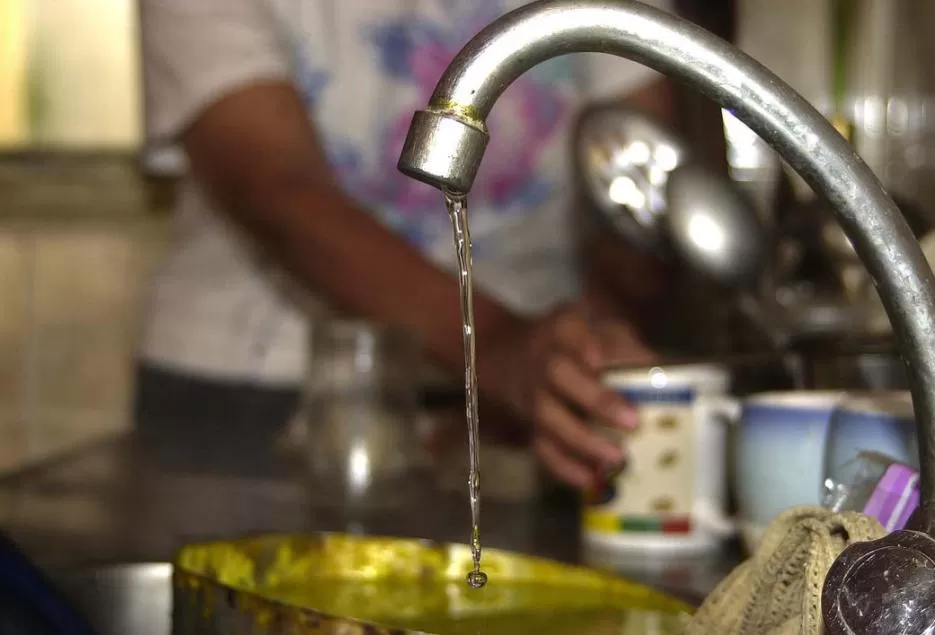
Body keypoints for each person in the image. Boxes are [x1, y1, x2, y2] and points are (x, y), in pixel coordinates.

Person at [136, 0, 678, 487]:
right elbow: (272, 186)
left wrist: (589, 345)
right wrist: (494, 351)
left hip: (529, 401)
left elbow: (636, 174)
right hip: (255, 399)